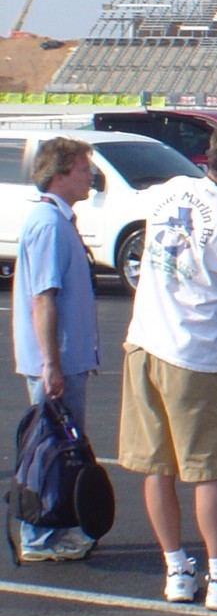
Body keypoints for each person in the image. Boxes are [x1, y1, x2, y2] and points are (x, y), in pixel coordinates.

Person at [118, 122, 217, 609]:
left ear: (209, 157)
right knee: (207, 471)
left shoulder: (171, 191)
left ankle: (176, 569)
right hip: (191, 354)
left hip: (142, 342)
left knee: (157, 466)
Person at [11, 137, 99, 562]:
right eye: (84, 169)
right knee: (49, 451)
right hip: (57, 362)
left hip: (66, 359)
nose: (90, 176)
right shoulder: (48, 224)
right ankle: (39, 537)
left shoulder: (59, 220)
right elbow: (43, 297)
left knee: (61, 449)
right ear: (62, 174)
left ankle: (55, 530)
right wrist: (51, 363)